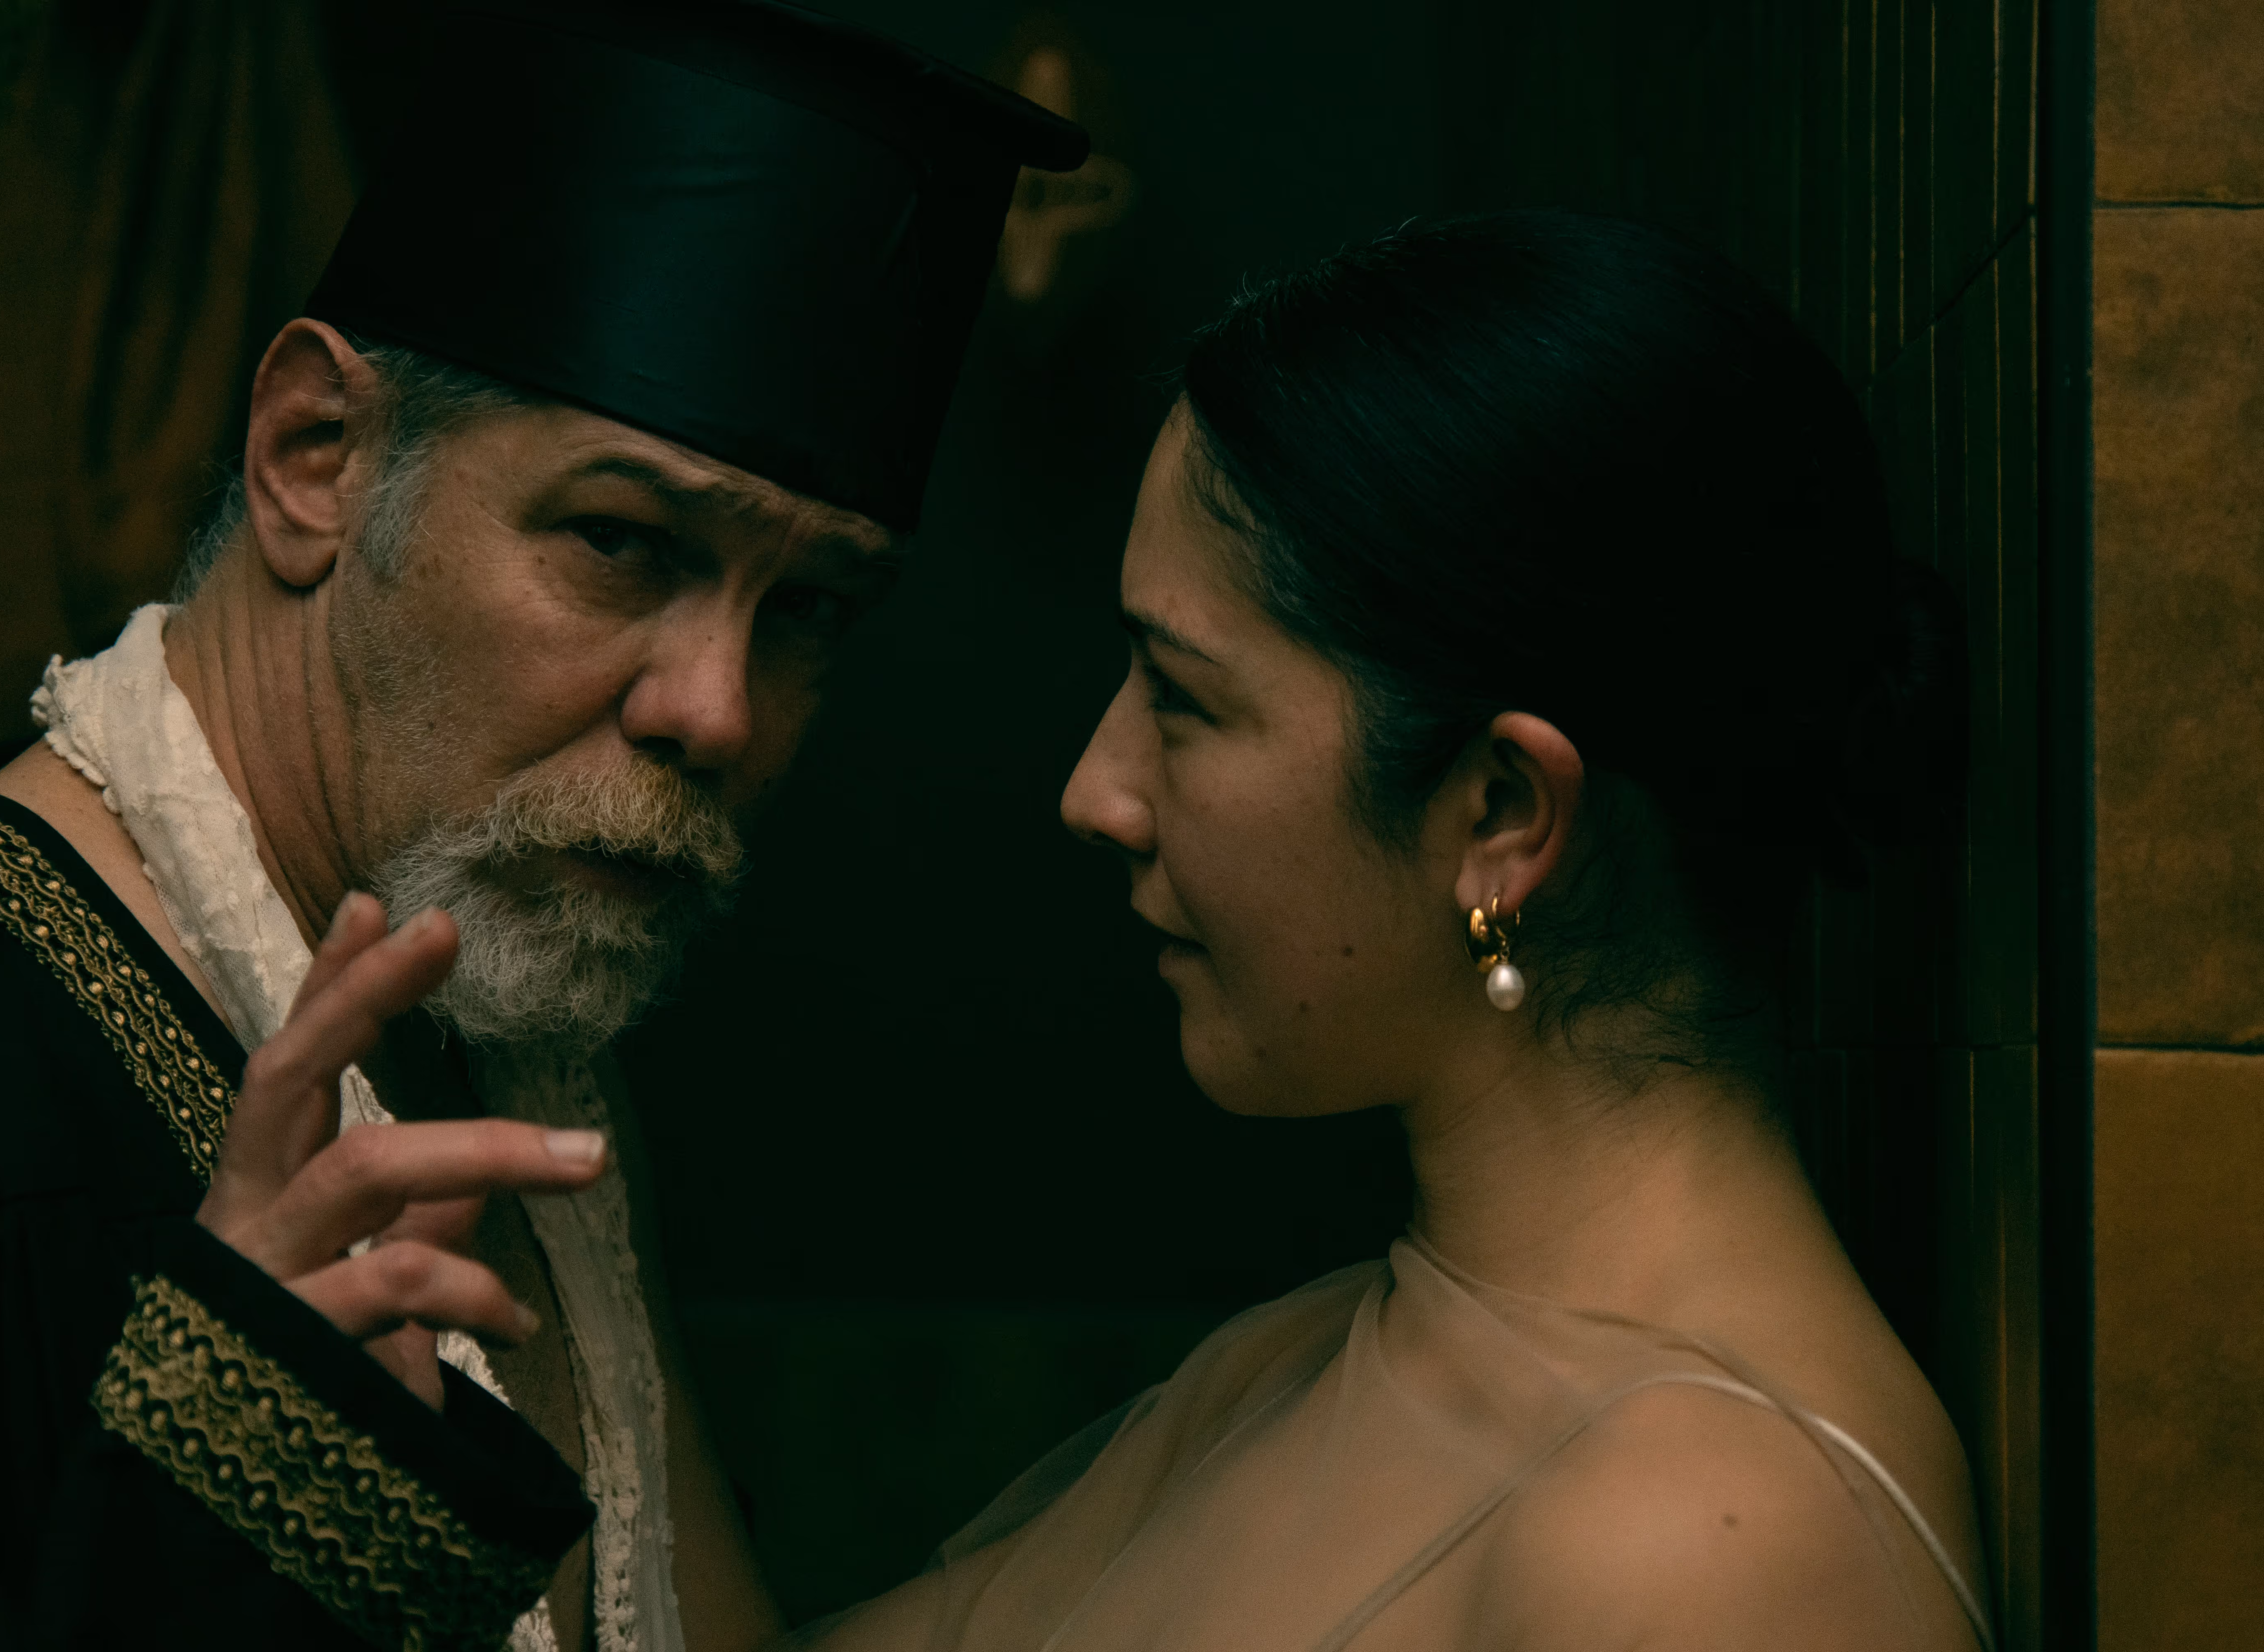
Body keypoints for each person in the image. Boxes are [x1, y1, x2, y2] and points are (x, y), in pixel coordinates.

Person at [0, 2, 1082, 1648]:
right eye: (621, 541)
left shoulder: (512, 1037)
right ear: (314, 458)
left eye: (811, 606)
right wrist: (210, 1476)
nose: (721, 710)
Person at [782, 213, 1994, 1650]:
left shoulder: (1716, 1553)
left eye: (1183, 699)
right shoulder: (1314, 1358)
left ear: (1498, 813)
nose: (1096, 793)